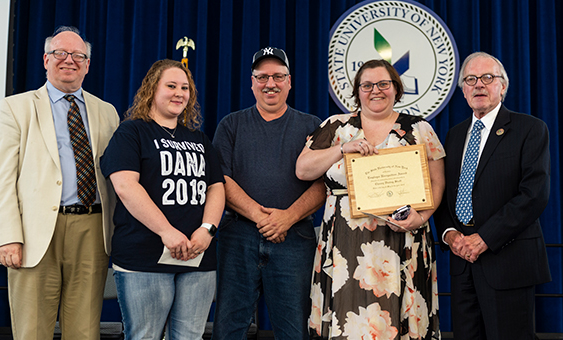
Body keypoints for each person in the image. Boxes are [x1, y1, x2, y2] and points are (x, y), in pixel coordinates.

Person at [296, 59, 444, 339]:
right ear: (357, 91)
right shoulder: (336, 127)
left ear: (396, 89)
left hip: (404, 239)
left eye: (383, 84)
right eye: (367, 85)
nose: (375, 90)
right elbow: (303, 169)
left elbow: (437, 181)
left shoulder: (419, 129)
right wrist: (342, 149)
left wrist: (421, 218)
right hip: (344, 246)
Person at [0, 26, 119, 340]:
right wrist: (7, 236)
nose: (68, 60)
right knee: (32, 330)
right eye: (60, 53)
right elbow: (0, 178)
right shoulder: (15, 108)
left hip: (92, 230)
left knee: (85, 332)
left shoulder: (108, 113)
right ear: (46, 59)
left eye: (78, 55)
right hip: (34, 235)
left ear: (87, 64)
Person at [100, 59, 225, 339]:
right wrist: (167, 232)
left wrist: (207, 230)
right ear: (151, 90)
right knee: (144, 335)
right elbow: (125, 186)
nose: (179, 93)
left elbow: (216, 187)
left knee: (190, 336)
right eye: (171, 86)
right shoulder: (131, 132)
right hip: (143, 257)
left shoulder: (200, 139)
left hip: (197, 258)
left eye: (185, 87)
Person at [434, 52, 551, 340]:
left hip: (508, 261)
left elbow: (534, 194)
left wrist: (485, 237)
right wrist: (450, 234)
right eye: (471, 80)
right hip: (463, 264)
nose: (479, 85)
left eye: (488, 78)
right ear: (462, 90)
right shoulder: (454, 135)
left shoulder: (530, 129)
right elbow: (446, 194)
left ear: (503, 86)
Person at [211, 47, 326, 340]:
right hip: (238, 237)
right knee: (229, 328)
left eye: (277, 76)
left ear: (289, 82)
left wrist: (287, 218)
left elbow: (324, 184)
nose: (270, 83)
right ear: (252, 82)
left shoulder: (312, 126)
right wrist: (261, 218)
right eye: (262, 77)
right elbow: (220, 179)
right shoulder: (231, 124)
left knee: (293, 330)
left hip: (295, 238)